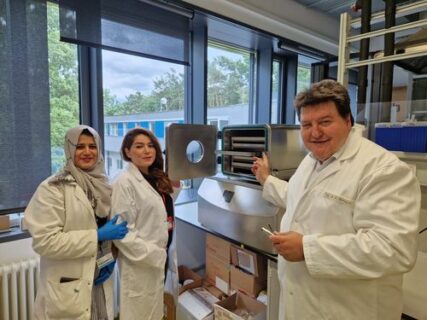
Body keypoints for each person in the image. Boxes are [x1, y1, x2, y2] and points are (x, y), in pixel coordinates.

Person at [252, 79, 420, 320]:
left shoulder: (382, 169)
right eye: (306, 124)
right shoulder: (312, 160)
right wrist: (266, 179)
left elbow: (393, 249)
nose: (315, 132)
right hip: (302, 302)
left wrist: (307, 249)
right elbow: (298, 197)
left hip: (348, 309)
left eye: (325, 122)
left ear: (348, 121)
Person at [24, 125, 128, 320]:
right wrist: (97, 235)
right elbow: (45, 242)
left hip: (99, 280)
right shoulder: (53, 188)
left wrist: (110, 257)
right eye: (80, 146)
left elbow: (105, 241)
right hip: (69, 286)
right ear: (70, 149)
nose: (87, 152)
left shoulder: (106, 186)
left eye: (92, 146)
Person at [111, 127, 180, 320]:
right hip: (141, 262)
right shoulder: (124, 182)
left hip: (160, 257)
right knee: (139, 313)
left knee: (154, 312)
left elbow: (163, 205)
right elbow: (121, 232)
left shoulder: (156, 177)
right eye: (139, 146)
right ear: (127, 152)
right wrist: (153, 254)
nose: (147, 151)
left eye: (150, 146)